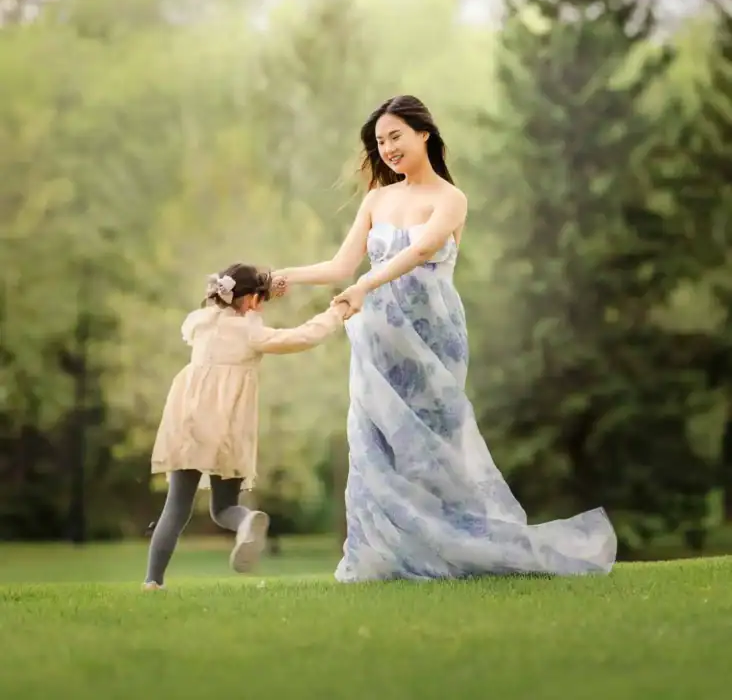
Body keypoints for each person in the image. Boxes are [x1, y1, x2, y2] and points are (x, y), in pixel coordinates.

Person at [274, 95, 617, 581]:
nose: (388, 148)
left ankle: (454, 549)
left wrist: (366, 285)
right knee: (374, 439)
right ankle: (384, 556)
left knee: (435, 441)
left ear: (424, 134)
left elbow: (420, 251)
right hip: (377, 336)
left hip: (432, 334)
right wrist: (284, 276)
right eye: (380, 142)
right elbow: (340, 265)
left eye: (395, 136)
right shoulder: (376, 200)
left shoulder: (450, 199)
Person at [143, 262, 347, 590]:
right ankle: (246, 521)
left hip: (188, 423)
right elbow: (302, 337)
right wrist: (337, 313)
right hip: (227, 427)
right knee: (224, 507)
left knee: (176, 507)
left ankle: (153, 581)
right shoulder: (251, 333)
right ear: (253, 300)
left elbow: (237, 307)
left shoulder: (202, 324)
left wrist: (261, 293)